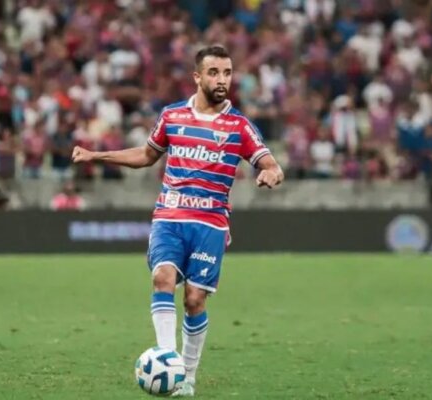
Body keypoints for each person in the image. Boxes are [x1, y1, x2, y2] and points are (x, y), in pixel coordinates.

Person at [72, 45, 284, 397]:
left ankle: (187, 376)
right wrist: (97, 154)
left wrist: (271, 175)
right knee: (162, 277)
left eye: (227, 73)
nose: (222, 80)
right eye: (214, 73)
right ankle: (168, 362)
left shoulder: (239, 126)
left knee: (195, 300)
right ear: (197, 77)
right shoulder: (172, 116)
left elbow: (270, 164)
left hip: (211, 223)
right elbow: (145, 155)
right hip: (170, 214)